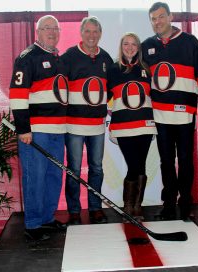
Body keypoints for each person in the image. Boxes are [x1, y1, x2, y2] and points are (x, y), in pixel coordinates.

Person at [142, 2, 198, 221]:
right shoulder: (147, 45)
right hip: (160, 115)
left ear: (170, 16)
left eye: (161, 17)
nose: (157, 22)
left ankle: (185, 202)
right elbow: (139, 77)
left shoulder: (190, 42)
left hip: (185, 114)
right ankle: (168, 203)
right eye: (153, 19)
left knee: (185, 160)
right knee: (166, 161)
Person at [9, 15, 67, 241]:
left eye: (55, 28)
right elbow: (17, 95)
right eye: (46, 28)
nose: (52, 32)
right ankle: (33, 225)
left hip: (58, 130)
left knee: (53, 176)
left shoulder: (58, 58)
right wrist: (23, 129)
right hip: (36, 131)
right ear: (37, 32)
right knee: (36, 176)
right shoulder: (27, 57)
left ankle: (46, 218)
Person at [61, 16, 113, 225]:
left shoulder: (106, 58)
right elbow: (59, 86)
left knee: (96, 168)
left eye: (95, 31)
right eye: (88, 31)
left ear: (100, 34)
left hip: (97, 126)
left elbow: (111, 88)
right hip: (73, 125)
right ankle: (74, 210)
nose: (92, 35)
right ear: (81, 33)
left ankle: (95, 208)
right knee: (73, 168)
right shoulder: (69, 56)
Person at [107, 33, 157, 221]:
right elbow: (104, 97)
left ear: (138, 47)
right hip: (123, 126)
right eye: (126, 44)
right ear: (121, 46)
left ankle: (137, 206)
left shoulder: (146, 68)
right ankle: (128, 205)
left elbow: (155, 95)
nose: (130, 47)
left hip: (144, 124)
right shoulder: (113, 69)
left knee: (141, 164)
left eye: (133, 44)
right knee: (133, 165)